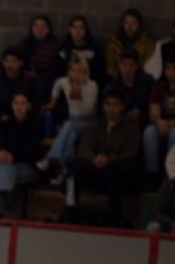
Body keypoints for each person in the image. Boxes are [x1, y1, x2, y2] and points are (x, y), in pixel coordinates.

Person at [66, 90, 140, 224]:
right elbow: (84, 150)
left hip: (118, 171)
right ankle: (71, 209)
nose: (111, 108)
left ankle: (114, 216)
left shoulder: (131, 128)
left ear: (122, 107)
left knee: (117, 171)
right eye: (108, 104)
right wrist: (95, 159)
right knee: (74, 165)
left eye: (115, 105)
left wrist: (109, 159)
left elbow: (130, 153)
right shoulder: (95, 126)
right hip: (96, 169)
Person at [39, 56, 98, 184]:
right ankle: (64, 174)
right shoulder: (64, 82)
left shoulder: (92, 85)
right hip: (72, 121)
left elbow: (88, 109)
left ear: (85, 72)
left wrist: (79, 96)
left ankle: (49, 159)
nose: (76, 74)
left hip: (87, 122)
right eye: (73, 70)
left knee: (68, 127)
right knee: (69, 137)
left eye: (80, 71)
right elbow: (57, 85)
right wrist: (53, 102)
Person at [0, 92, 44, 217]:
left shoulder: (35, 126)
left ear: (29, 106)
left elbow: (31, 152)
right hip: (6, 165)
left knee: (2, 170)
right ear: (12, 106)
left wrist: (13, 157)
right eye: (16, 103)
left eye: (23, 103)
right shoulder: (5, 123)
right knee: (0, 165)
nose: (19, 107)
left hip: (28, 167)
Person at [143, 46, 175, 180]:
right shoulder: (159, 87)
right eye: (168, 68)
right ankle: (152, 175)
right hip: (162, 124)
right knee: (149, 132)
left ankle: (171, 173)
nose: (171, 72)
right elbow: (154, 112)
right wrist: (158, 122)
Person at [106, 8, 155, 79]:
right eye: (126, 22)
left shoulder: (147, 44)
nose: (129, 26)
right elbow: (110, 69)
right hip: (119, 80)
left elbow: (148, 67)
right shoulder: (114, 44)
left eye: (133, 23)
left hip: (140, 80)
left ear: (139, 25)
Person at [58, 15, 105, 86]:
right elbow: (58, 72)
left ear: (86, 30)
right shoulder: (62, 49)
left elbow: (99, 72)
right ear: (70, 29)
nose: (78, 31)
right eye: (74, 27)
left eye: (81, 28)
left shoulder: (95, 50)